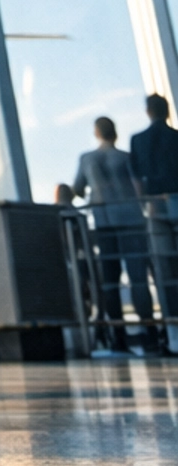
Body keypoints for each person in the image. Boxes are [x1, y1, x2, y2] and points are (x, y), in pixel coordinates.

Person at [70, 117, 158, 353]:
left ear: (97, 133)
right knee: (138, 279)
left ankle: (118, 337)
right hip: (131, 220)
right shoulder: (125, 157)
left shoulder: (87, 159)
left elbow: (78, 189)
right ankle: (150, 334)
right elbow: (139, 187)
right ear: (114, 132)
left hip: (104, 221)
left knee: (110, 281)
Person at [130, 94, 178, 343]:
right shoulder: (175, 137)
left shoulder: (138, 140)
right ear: (167, 111)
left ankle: (172, 331)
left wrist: (144, 205)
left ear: (148, 111)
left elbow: (137, 179)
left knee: (164, 269)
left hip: (155, 207)